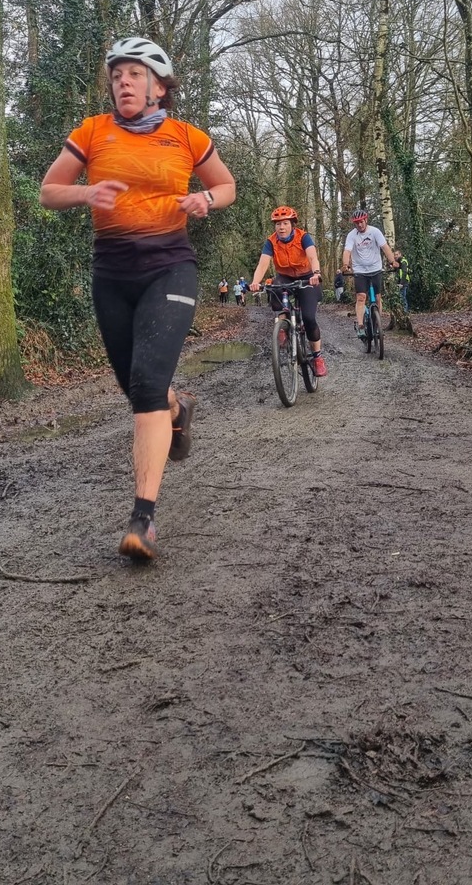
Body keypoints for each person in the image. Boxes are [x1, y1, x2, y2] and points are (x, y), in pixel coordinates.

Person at [39, 36, 236, 560]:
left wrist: (205, 198)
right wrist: (86, 192)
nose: (122, 82)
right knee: (137, 386)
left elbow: (227, 186)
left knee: (145, 385)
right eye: (116, 75)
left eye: (133, 74)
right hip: (111, 273)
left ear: (158, 87)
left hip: (170, 267)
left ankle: (143, 521)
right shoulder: (92, 132)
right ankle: (177, 405)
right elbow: (49, 191)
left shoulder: (186, 136)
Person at [249, 205, 327, 376]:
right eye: (278, 224)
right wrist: (255, 282)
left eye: (285, 223)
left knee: (309, 318)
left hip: (307, 277)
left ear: (292, 224)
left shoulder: (303, 237)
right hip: (285, 276)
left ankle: (317, 357)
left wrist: (316, 273)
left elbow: (312, 256)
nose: (281, 227)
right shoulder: (271, 242)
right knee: (274, 288)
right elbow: (263, 264)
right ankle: (283, 327)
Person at [342, 207, 398, 338]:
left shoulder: (375, 232)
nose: (359, 225)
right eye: (357, 223)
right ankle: (361, 326)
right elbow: (347, 251)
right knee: (361, 297)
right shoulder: (352, 235)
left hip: (376, 269)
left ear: (366, 220)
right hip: (360, 271)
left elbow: (385, 247)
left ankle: (377, 323)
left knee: (377, 297)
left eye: (361, 222)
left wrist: (392, 261)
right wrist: (345, 265)